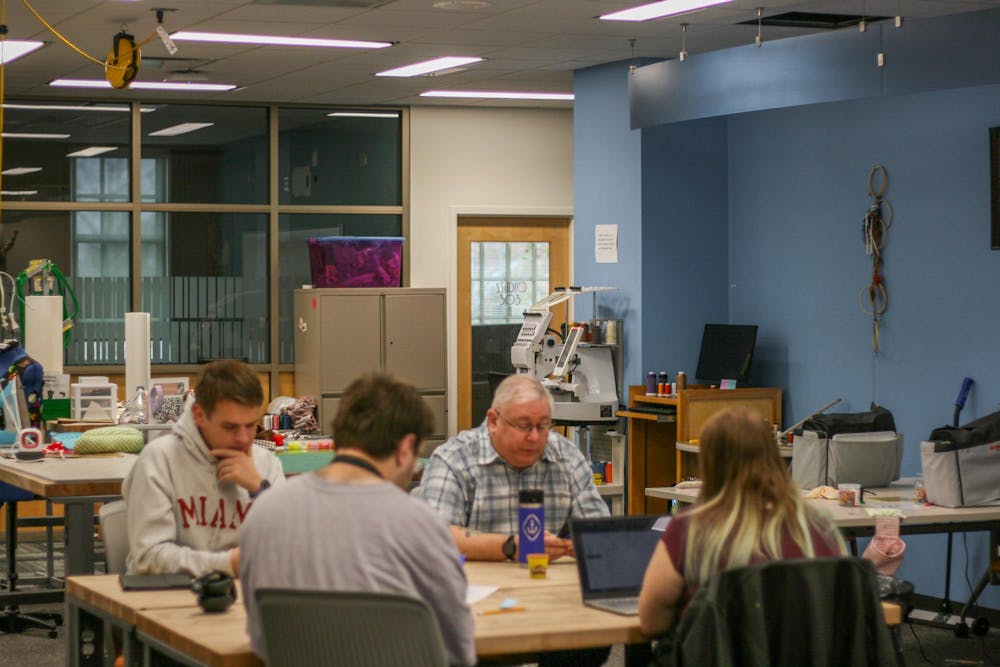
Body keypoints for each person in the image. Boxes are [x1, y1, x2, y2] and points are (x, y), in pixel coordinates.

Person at [240, 373, 475, 666]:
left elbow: (261, 638)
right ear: (405, 448)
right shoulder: (422, 524)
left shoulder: (263, 514)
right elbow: (459, 649)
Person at [637, 407, 846, 638]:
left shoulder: (689, 529)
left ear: (709, 464)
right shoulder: (819, 528)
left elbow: (651, 621)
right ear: (773, 457)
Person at [413, 373, 609, 561]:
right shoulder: (454, 460)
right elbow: (438, 537)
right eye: (524, 426)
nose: (534, 437)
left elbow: (601, 531)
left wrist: (583, 543)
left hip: (547, 583)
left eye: (543, 426)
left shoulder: (566, 457)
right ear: (493, 421)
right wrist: (513, 547)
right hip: (477, 588)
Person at [122, 360, 284, 576]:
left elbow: (289, 550)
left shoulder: (266, 464)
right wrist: (228, 564)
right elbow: (149, 557)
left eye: (251, 425)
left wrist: (260, 490)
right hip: (171, 597)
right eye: (230, 427)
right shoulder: (158, 460)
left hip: (247, 595)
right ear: (199, 415)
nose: (243, 438)